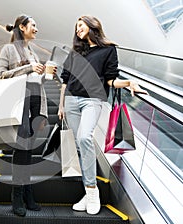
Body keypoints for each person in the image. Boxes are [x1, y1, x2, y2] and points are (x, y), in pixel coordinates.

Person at [58, 15, 148, 215]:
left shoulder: (108, 50)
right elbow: (65, 80)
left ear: (92, 26)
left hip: (93, 100)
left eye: (81, 26)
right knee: (81, 147)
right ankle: (87, 191)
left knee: (84, 137)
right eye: (76, 27)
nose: (78, 30)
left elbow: (110, 80)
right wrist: (62, 104)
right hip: (72, 100)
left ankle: (92, 192)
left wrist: (129, 83)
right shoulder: (75, 52)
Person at [0, 14, 55, 217]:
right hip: (18, 101)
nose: (36, 29)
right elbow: (1, 75)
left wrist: (45, 75)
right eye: (33, 25)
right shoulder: (9, 49)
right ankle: (18, 195)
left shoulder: (32, 52)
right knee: (22, 147)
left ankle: (27, 192)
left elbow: (36, 82)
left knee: (29, 148)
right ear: (22, 27)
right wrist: (29, 68)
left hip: (34, 102)